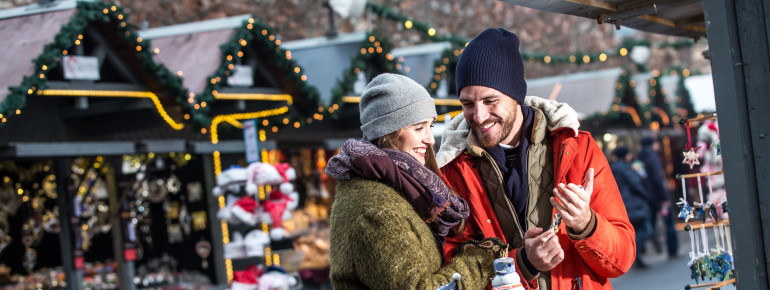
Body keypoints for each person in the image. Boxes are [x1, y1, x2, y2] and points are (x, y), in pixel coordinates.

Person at [436, 28, 636, 289]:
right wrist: (522, 264)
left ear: (516, 95)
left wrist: (586, 224)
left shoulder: (579, 148)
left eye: (490, 101)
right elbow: (453, 271)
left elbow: (622, 259)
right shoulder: (452, 171)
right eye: (467, 104)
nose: (479, 115)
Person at [325, 73, 505, 289]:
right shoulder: (376, 209)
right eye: (419, 127)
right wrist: (480, 261)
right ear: (387, 131)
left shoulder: (396, 187)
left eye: (430, 126)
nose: (429, 138)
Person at [610, 146, 652, 269]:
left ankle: (634, 256)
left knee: (635, 231)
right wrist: (645, 195)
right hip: (632, 203)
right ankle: (634, 256)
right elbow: (635, 183)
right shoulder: (624, 167)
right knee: (645, 229)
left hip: (623, 203)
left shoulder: (614, 167)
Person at [637, 136, 679, 259]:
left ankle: (643, 251)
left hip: (648, 197)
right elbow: (657, 179)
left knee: (650, 224)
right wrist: (664, 197)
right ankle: (672, 251)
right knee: (669, 223)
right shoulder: (653, 158)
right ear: (652, 144)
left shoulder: (640, 159)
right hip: (658, 196)